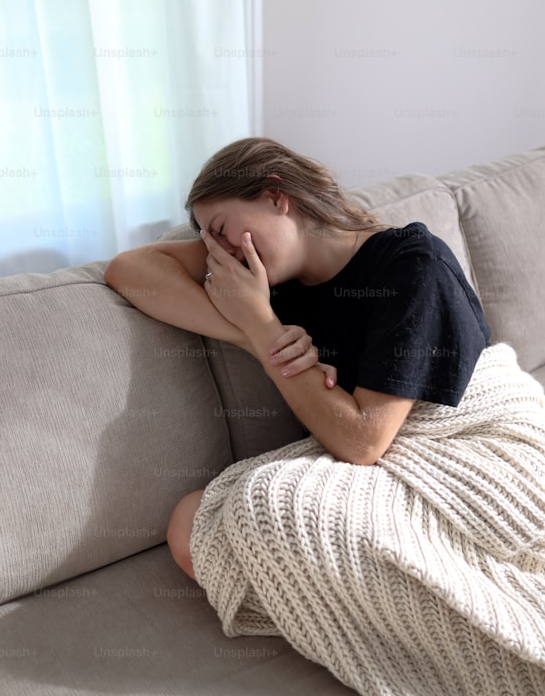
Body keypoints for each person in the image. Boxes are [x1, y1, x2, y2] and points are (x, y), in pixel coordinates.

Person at [103, 137, 491, 579]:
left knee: (203, 522)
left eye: (221, 229)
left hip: (446, 451)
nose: (217, 252)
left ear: (275, 196)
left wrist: (263, 327)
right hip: (357, 462)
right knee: (191, 524)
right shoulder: (265, 282)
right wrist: (252, 331)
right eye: (206, 239)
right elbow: (129, 269)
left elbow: (363, 442)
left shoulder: (413, 265)